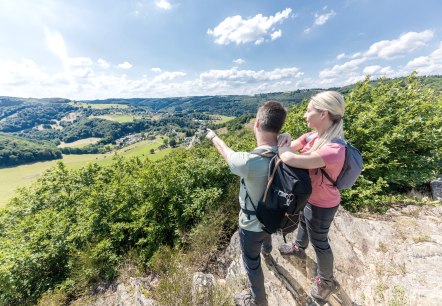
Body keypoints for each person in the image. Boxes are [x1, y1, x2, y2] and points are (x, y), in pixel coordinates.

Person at [206, 101, 287, 306]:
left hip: (251, 224)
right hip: (275, 215)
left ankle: (259, 300)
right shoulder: (288, 152)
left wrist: (214, 136)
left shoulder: (248, 161)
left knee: (252, 264)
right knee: (267, 226)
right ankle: (267, 249)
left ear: (257, 123)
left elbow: (226, 153)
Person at [277, 91, 345, 301]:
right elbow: (292, 144)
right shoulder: (314, 136)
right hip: (311, 198)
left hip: (323, 204)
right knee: (304, 224)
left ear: (323, 114)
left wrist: (284, 145)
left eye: (309, 111)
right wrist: (286, 138)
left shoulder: (333, 149)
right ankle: (298, 247)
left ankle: (326, 282)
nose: (305, 115)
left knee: (320, 242)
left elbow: (289, 157)